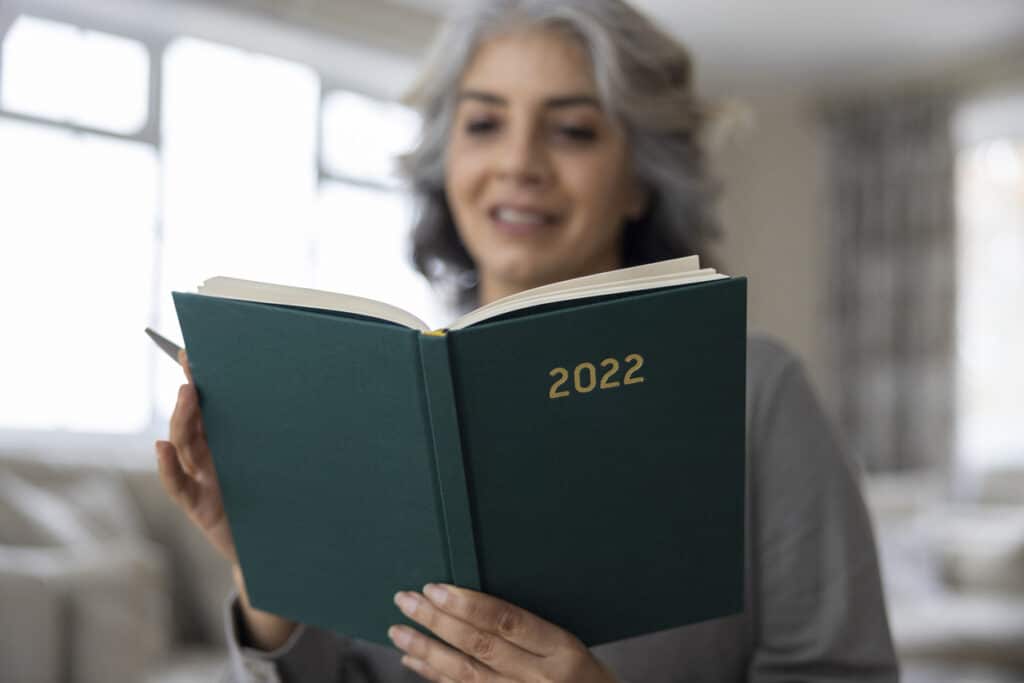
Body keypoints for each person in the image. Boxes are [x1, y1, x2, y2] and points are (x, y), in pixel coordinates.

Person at [155, 1, 900, 681]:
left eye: (572, 129)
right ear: (447, 160)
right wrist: (269, 574)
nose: (518, 163)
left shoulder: (754, 390)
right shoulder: (367, 395)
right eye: (483, 123)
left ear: (641, 176)